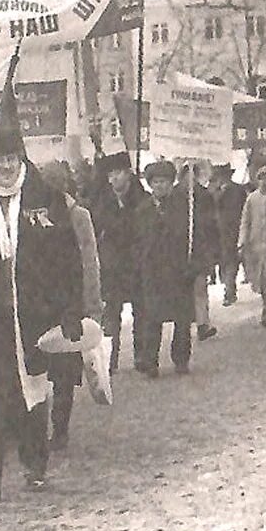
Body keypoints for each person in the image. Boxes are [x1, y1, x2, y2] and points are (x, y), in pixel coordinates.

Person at [0, 108, 83, 505]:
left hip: (36, 314)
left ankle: (34, 461)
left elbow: (68, 259)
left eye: (12, 159)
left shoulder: (46, 199)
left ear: (21, 159)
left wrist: (71, 312)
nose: (6, 167)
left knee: (34, 390)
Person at [39, 162, 102, 452]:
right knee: (48, 368)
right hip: (44, 302)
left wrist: (90, 305)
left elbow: (89, 261)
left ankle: (59, 427)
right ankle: (49, 428)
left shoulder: (77, 216)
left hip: (67, 302)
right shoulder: (31, 215)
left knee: (62, 368)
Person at [133, 161, 213, 376]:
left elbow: (196, 238)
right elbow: (137, 241)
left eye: (164, 182)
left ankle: (181, 359)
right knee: (152, 320)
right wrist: (140, 266)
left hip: (179, 271)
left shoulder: (185, 209)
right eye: (156, 182)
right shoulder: (142, 210)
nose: (160, 186)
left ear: (171, 184)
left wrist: (195, 265)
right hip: (153, 273)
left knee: (182, 320)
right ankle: (150, 362)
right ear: (150, 185)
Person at [92, 152, 146, 375]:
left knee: (141, 312)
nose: (113, 179)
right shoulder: (103, 202)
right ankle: (109, 360)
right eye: (110, 175)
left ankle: (142, 356)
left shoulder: (142, 200)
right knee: (110, 315)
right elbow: (99, 228)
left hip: (136, 264)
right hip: (112, 267)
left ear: (129, 175)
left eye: (117, 174)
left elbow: (141, 229)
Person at [178, 162, 220, 341]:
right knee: (182, 290)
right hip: (178, 250)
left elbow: (211, 224)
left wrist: (212, 250)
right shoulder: (175, 196)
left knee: (200, 287)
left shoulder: (204, 196)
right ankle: (184, 322)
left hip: (200, 249)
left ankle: (203, 324)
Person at [240, 165, 266, 325]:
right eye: (261, 179)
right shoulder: (252, 198)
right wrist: (242, 241)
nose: (264, 182)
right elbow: (245, 221)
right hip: (256, 245)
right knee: (260, 278)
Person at [211, 164, 247, 307]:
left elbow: (244, 210)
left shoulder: (238, 190)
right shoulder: (213, 190)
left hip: (233, 230)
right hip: (217, 232)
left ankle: (229, 291)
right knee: (223, 262)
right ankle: (228, 287)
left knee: (231, 261)